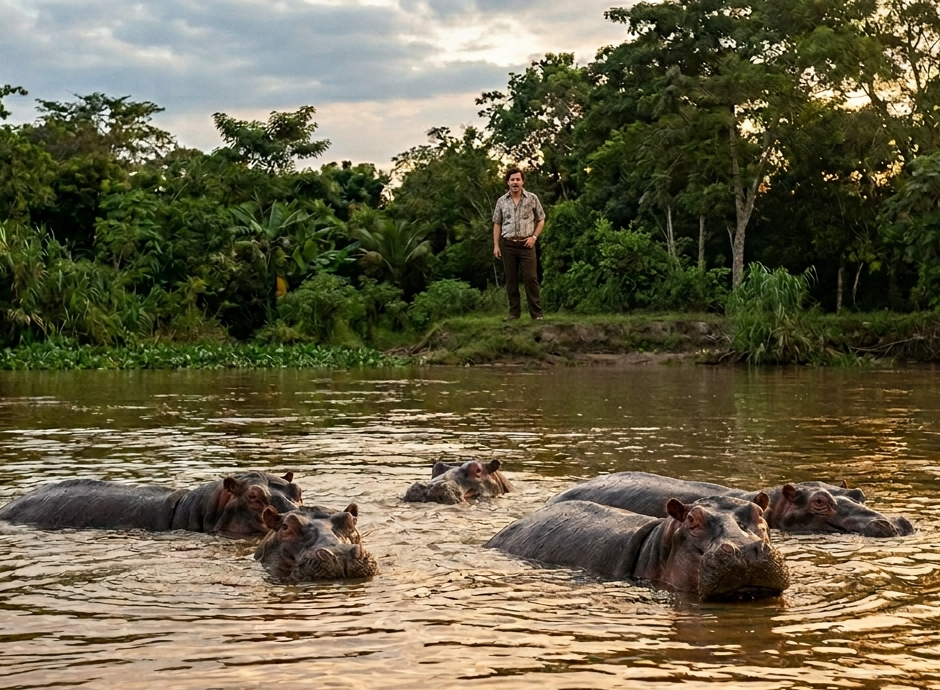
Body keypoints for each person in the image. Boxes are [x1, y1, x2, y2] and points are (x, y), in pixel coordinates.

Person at [492, 167, 546, 320]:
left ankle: (536, 314)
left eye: (518, 179)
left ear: (522, 181)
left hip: (527, 244)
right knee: (511, 280)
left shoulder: (532, 198)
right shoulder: (502, 201)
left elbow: (541, 219)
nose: (515, 182)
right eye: (512, 180)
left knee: (531, 278)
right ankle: (514, 313)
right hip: (508, 245)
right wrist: (496, 245)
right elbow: (497, 223)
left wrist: (534, 237)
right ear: (508, 182)